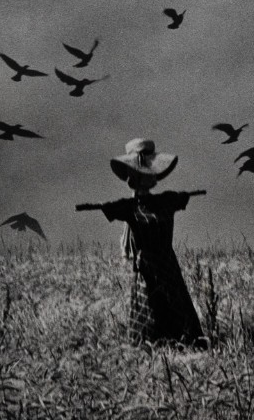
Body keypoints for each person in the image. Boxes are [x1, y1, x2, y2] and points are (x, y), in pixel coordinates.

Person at [78, 138, 207, 347]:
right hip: (147, 263)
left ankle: (183, 341)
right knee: (149, 302)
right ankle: (152, 344)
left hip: (166, 262)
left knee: (174, 300)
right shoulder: (131, 206)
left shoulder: (166, 200)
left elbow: (177, 199)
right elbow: (114, 207)